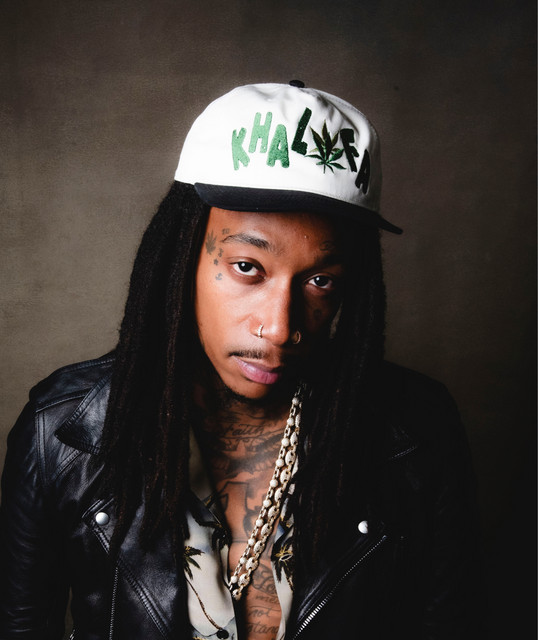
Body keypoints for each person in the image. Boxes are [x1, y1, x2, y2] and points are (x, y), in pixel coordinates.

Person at [0, 82, 483, 639]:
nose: (279, 327)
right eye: (248, 267)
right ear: (182, 257)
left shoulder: (418, 430)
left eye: (321, 280)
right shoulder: (62, 430)